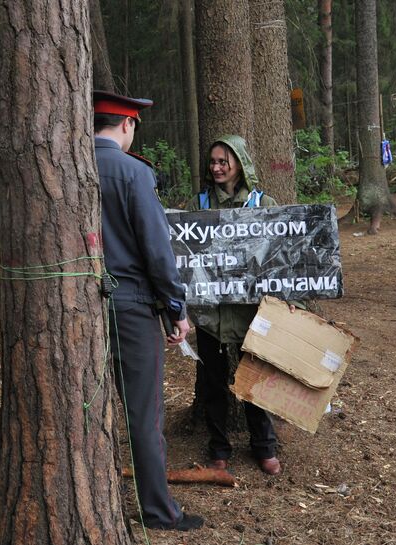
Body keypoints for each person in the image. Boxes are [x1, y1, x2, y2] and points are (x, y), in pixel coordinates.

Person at [93, 90, 204, 532]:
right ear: (126, 125)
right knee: (143, 413)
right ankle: (158, 511)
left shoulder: (67, 167)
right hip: (131, 308)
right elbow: (157, 251)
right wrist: (175, 307)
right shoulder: (132, 172)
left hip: (76, 309)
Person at [189, 135, 284, 476]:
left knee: (254, 380)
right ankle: (219, 448)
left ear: (239, 165)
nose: (216, 168)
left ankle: (264, 446)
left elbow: (280, 253)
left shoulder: (262, 202)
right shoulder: (199, 204)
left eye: (222, 162)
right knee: (213, 383)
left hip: (249, 311)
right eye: (212, 162)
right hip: (212, 312)